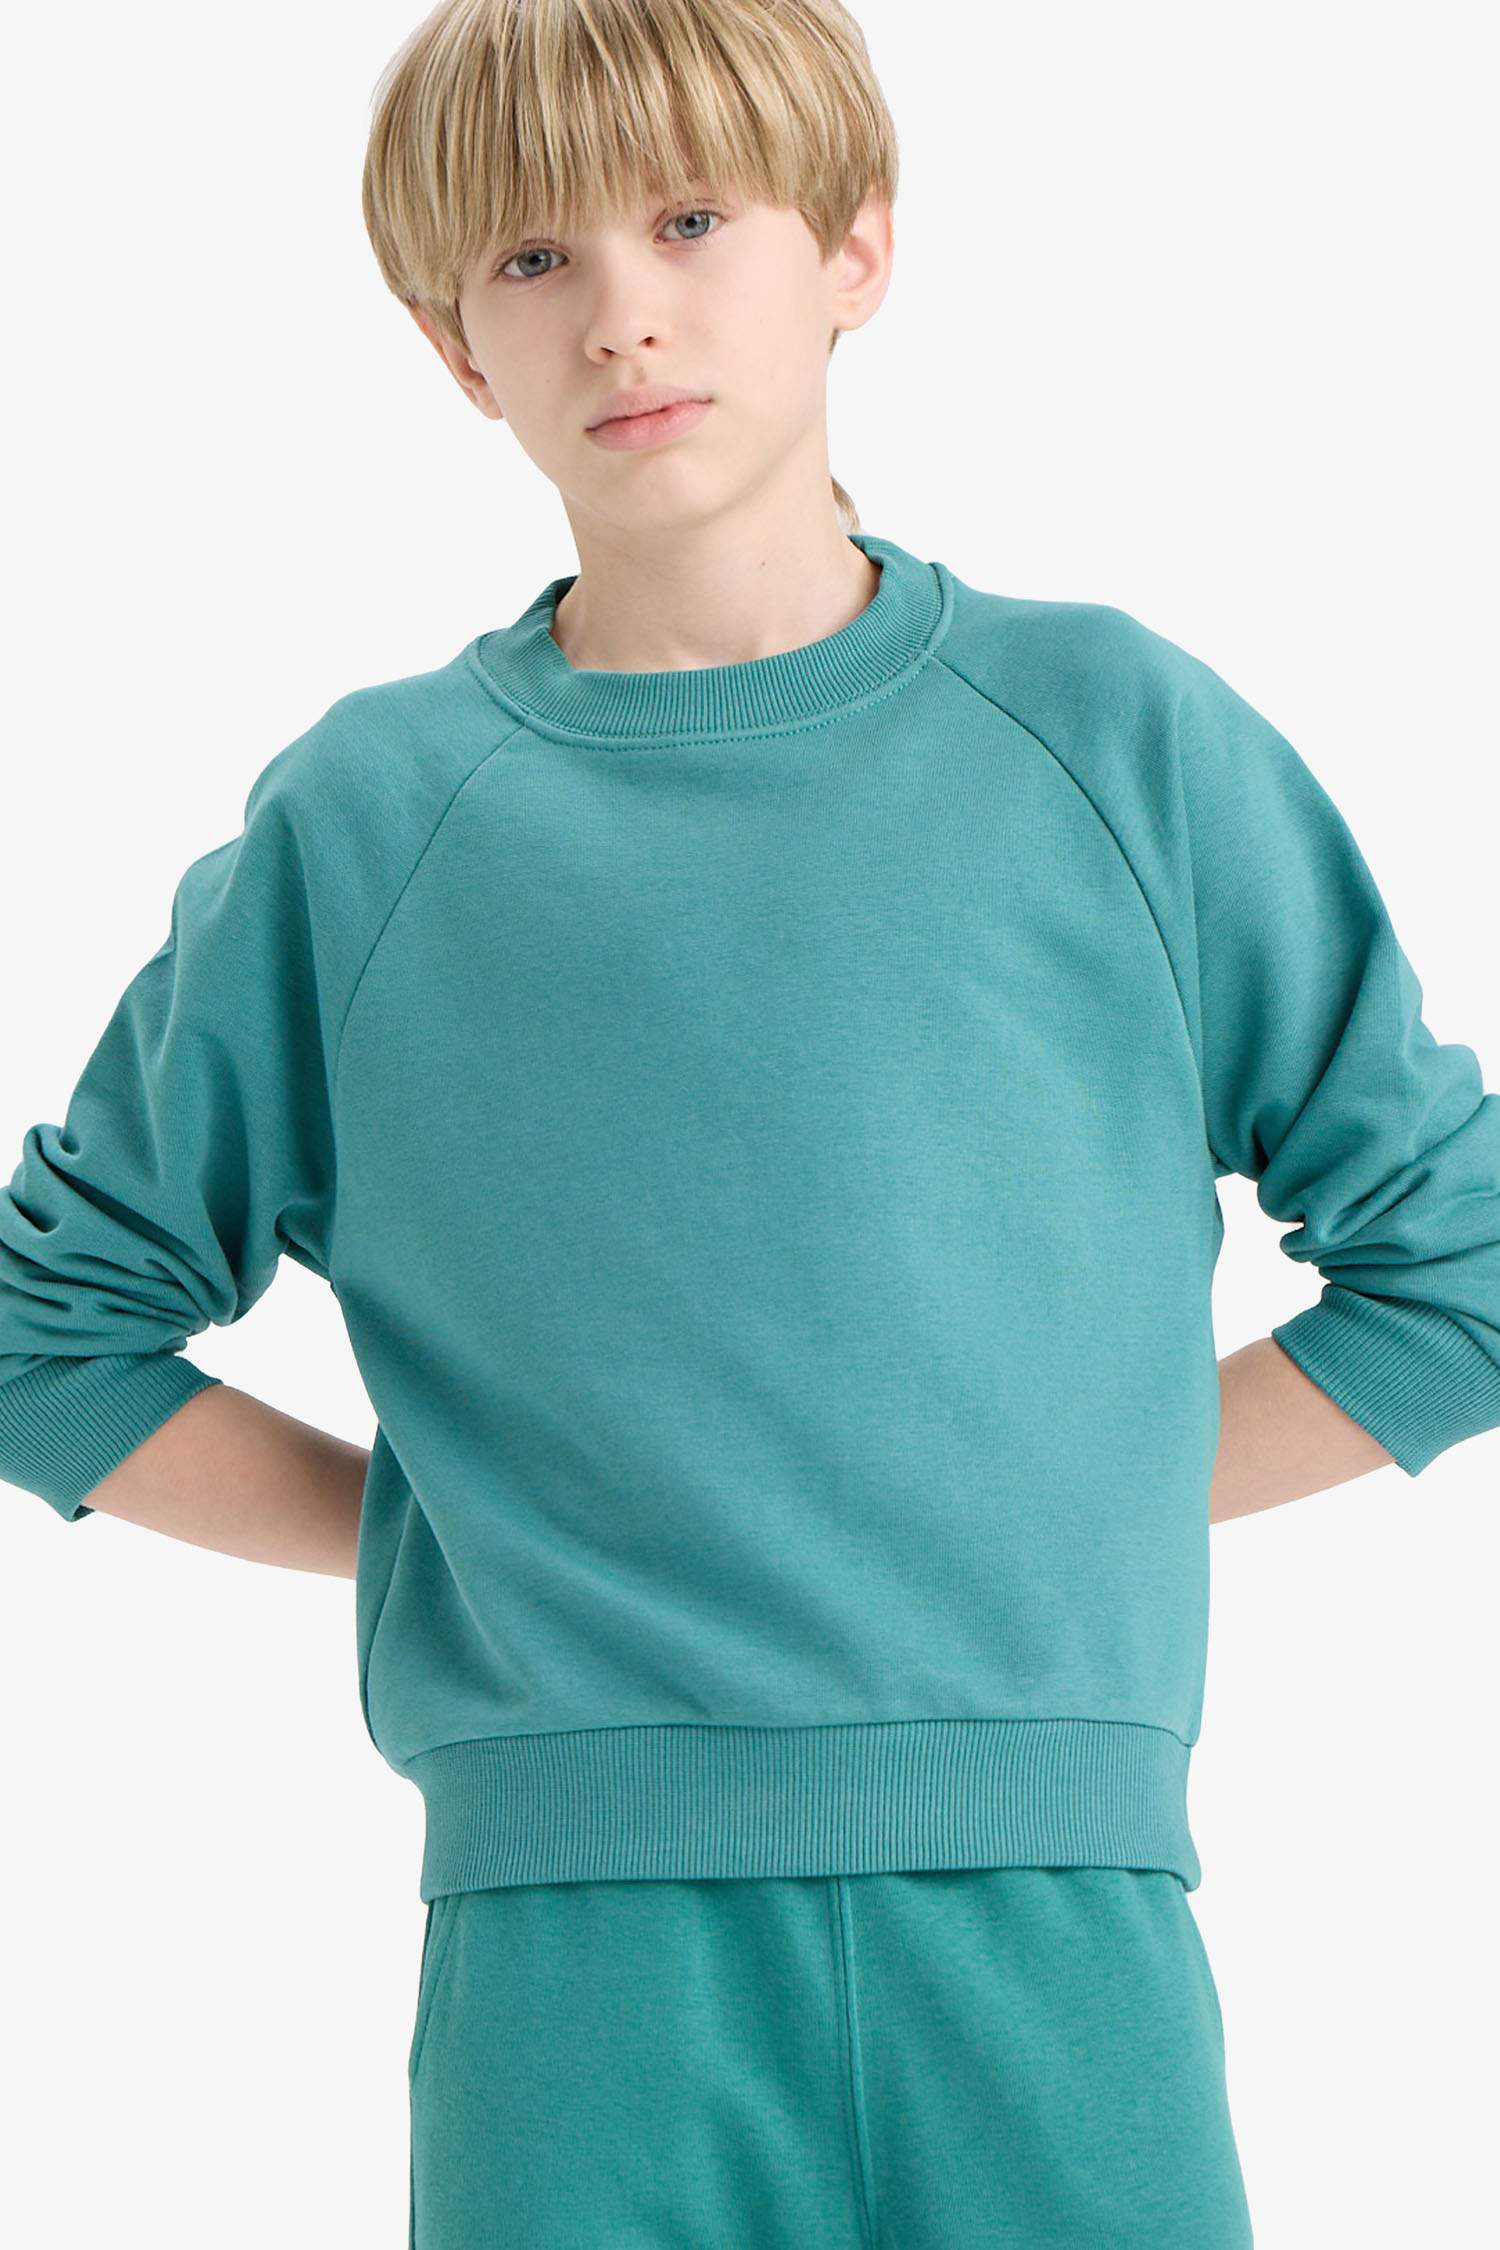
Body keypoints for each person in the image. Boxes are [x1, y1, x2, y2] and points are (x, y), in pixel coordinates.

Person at [4, 1, 1497, 2242]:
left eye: (692, 219)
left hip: (1061, 1920)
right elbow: (47, 1342)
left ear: (856, 247)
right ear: (451, 347)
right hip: (575, 1964)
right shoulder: (375, 820)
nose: (621, 310)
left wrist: (1043, 1495)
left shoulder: (1115, 736)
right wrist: (479, 1533)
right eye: (531, 259)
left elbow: (1458, 1272)